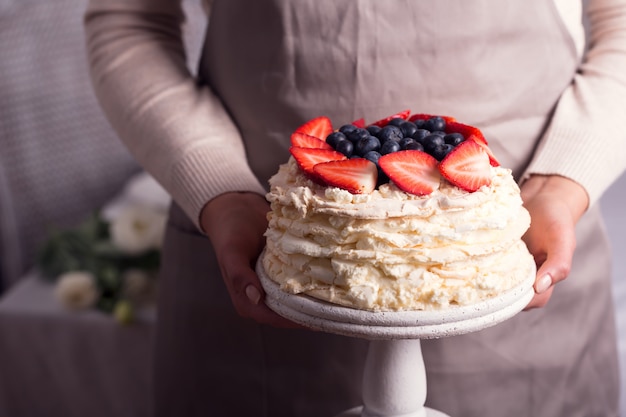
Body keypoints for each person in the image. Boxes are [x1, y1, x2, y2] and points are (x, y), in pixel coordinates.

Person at [84, 0, 626, 416]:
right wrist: (220, 190)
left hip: (519, 237)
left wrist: (562, 183)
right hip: (260, 240)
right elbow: (129, 21)